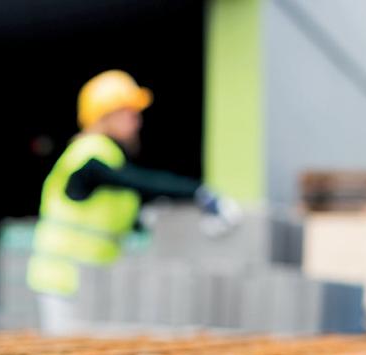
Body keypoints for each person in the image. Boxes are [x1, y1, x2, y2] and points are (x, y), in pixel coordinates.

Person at [27, 70, 237, 335]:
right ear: (105, 115)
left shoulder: (109, 157)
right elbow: (137, 180)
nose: (137, 122)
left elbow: (112, 207)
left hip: (89, 283)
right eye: (129, 114)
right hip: (64, 282)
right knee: (68, 353)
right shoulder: (90, 155)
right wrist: (197, 192)